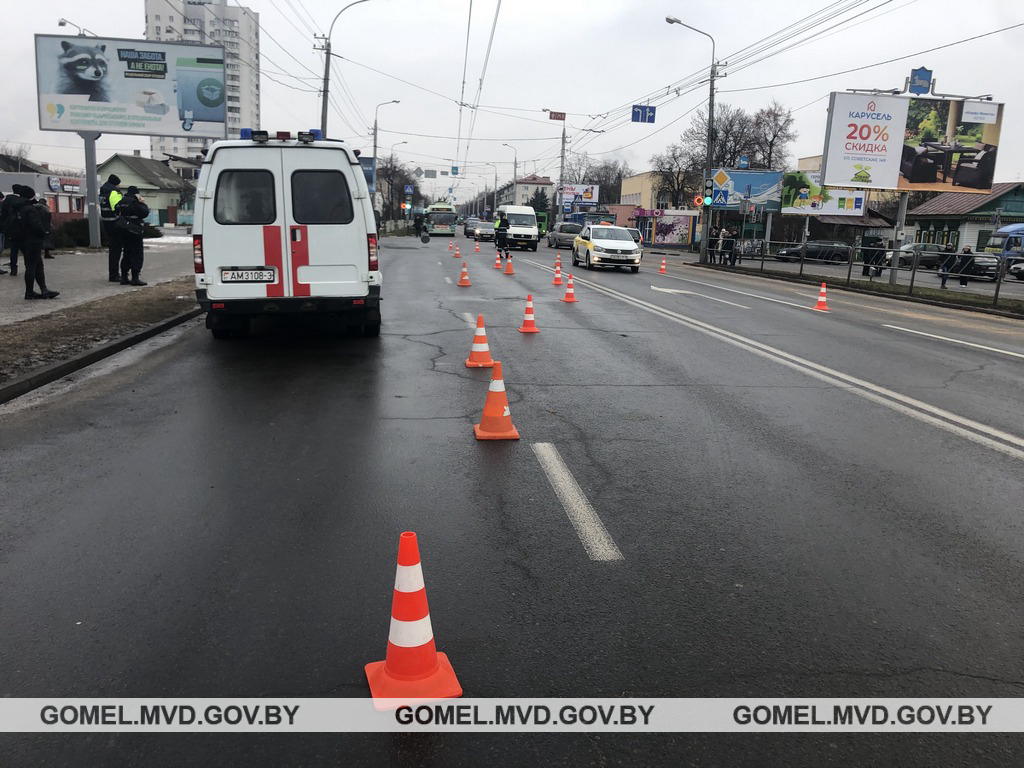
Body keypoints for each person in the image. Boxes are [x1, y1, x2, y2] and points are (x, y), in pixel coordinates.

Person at [17, 186, 59, 300]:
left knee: (38, 265)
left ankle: (44, 290)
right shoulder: (30, 209)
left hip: (23, 241)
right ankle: (29, 292)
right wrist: (43, 232)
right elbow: (35, 225)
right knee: (31, 267)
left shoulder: (19, 208)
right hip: (32, 241)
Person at [115, 186, 150, 286]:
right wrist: (142, 203)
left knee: (127, 252)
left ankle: (124, 277)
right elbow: (144, 212)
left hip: (123, 229)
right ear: (135, 194)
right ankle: (135, 277)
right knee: (137, 253)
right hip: (134, 230)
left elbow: (116, 210)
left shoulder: (121, 201)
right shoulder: (134, 203)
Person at [2, 184, 33, 277]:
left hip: (11, 228)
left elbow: (3, 215)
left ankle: (13, 269)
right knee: (25, 249)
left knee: (14, 250)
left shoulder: (6, 200)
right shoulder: (23, 201)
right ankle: (29, 267)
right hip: (22, 229)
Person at [100, 173, 123, 283]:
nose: (119, 186)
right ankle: (114, 274)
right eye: (118, 184)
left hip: (106, 223)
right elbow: (118, 208)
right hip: (115, 224)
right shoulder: (114, 192)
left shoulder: (103, 192)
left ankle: (113, 273)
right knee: (116, 251)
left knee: (113, 250)